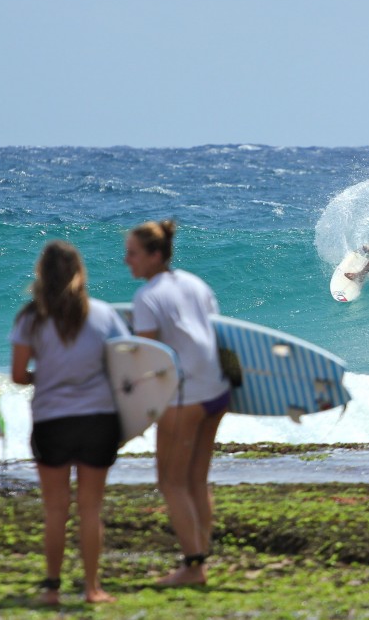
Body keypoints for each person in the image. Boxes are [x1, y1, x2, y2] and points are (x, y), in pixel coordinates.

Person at [10, 240, 127, 605]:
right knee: (91, 508)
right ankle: (92, 589)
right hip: (98, 420)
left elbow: (16, 374)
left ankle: (52, 589)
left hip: (52, 420)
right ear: (80, 272)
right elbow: (128, 363)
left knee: (55, 509)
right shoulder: (104, 314)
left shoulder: (30, 317)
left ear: (41, 274)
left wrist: (44, 378)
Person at [124, 219, 230, 587]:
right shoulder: (194, 283)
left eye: (133, 254)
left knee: (170, 481)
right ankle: (199, 557)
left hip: (187, 396)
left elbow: (148, 360)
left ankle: (194, 566)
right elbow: (216, 332)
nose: (127, 261)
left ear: (155, 255)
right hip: (217, 391)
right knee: (196, 479)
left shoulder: (147, 297)